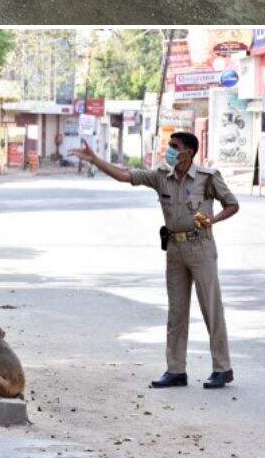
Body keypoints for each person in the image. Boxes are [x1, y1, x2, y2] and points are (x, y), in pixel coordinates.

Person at [75, 132, 239, 389]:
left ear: (189, 152)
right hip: (174, 249)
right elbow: (124, 175)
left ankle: (222, 368)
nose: (170, 150)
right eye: (170, 146)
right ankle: (176, 370)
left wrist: (213, 220)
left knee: (211, 308)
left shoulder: (207, 178)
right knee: (176, 311)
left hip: (201, 246)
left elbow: (232, 204)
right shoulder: (162, 176)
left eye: (175, 147)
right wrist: (95, 160)